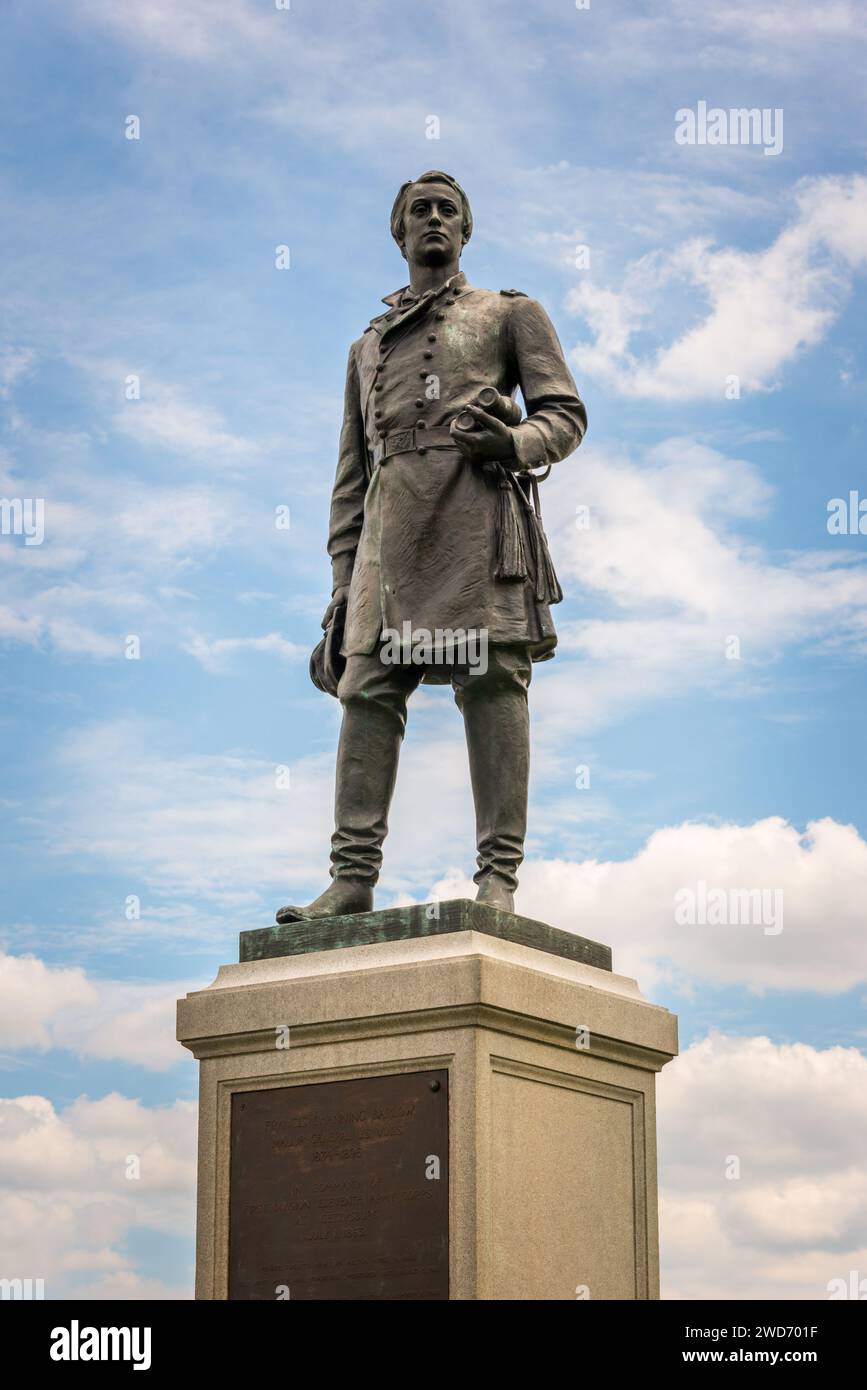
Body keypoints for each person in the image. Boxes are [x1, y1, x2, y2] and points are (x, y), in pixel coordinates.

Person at [277, 171, 587, 922]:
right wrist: (340, 587)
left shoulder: (509, 313)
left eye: (449, 209)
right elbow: (351, 478)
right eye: (420, 210)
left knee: (491, 687)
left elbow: (565, 414)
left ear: (465, 231)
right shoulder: (365, 346)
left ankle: (498, 878)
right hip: (389, 537)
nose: (434, 219)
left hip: (476, 517)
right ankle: (351, 878)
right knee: (367, 690)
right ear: (400, 232)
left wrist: (513, 441)